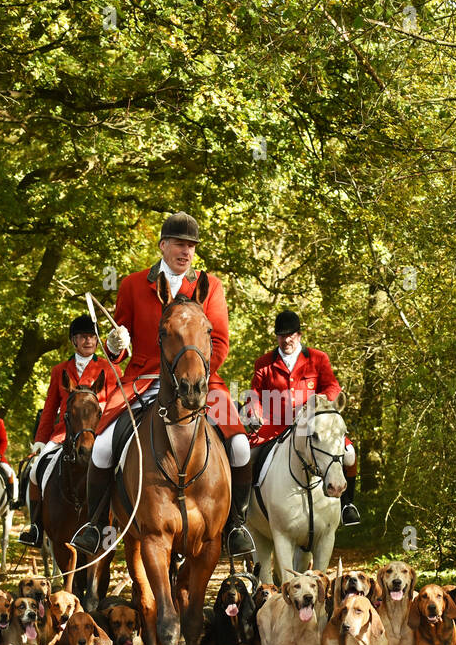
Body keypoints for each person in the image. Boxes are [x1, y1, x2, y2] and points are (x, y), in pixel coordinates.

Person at [70, 212, 256, 559]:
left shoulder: (209, 287)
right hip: (143, 381)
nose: (186, 252)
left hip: (198, 383)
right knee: (101, 448)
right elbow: (118, 351)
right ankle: (95, 525)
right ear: (163, 246)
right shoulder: (131, 285)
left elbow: (220, 343)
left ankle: (235, 526)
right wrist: (113, 343)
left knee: (242, 446)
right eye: (179, 245)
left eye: (191, 246)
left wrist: (193, 376)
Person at [244, 310, 360, 525]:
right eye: (281, 335)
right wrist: (255, 412)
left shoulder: (317, 358)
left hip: (313, 425)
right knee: (246, 458)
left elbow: (332, 386)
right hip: (275, 426)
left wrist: (323, 401)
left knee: (350, 454)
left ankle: (347, 504)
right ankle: (241, 514)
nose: (286, 339)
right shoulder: (264, 363)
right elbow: (255, 396)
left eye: (290, 335)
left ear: (299, 335)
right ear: (276, 336)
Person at [17, 315, 118, 547]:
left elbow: (117, 404)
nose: (89, 341)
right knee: (34, 471)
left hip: (98, 432)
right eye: (83, 337)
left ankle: (122, 520)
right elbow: (50, 409)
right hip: (64, 434)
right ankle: (35, 527)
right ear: (74, 341)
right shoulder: (59, 370)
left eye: (92, 337)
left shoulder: (109, 369)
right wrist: (40, 441)